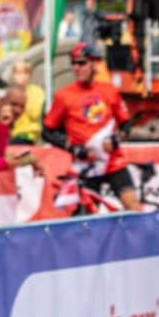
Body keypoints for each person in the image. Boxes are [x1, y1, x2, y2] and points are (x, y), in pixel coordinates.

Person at [42, 43, 140, 210]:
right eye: (74, 63)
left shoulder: (109, 90)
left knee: (134, 208)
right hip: (86, 165)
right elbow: (47, 132)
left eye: (82, 63)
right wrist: (73, 148)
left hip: (113, 162)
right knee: (88, 218)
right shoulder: (63, 95)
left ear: (94, 64)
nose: (76, 68)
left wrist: (116, 139)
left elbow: (126, 124)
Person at [8, 58, 45, 141]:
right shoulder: (8, 92)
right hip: (10, 135)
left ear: (31, 75)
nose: (22, 77)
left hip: (28, 135)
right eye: (18, 73)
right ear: (13, 75)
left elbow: (34, 114)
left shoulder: (37, 91)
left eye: (26, 73)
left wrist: (24, 96)